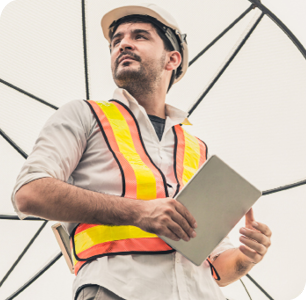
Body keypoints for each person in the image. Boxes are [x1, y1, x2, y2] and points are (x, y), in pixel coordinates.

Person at [12, 4, 272, 300]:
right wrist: (140, 212)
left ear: (172, 59)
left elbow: (217, 267)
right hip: (115, 289)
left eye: (140, 36)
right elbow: (29, 193)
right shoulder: (83, 115)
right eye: (116, 40)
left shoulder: (197, 150)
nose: (123, 43)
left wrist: (246, 257)